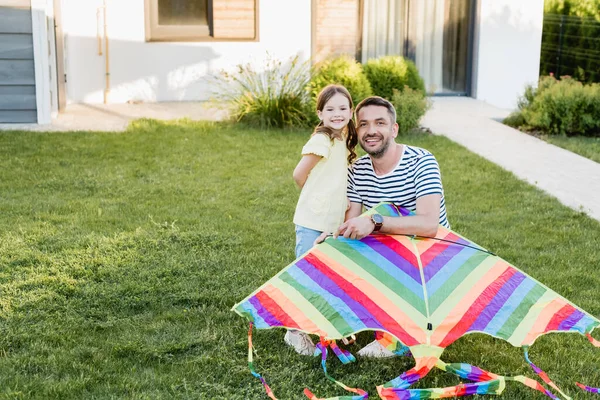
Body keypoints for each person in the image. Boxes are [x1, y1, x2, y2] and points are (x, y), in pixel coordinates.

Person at [335, 96, 450, 357]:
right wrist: (333, 235)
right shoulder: (358, 169)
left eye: (380, 123)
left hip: (431, 255)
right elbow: (351, 221)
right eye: (363, 124)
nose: (371, 131)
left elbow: (430, 225)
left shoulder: (422, 161)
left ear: (394, 129)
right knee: (338, 252)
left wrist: (375, 222)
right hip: (390, 249)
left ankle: (398, 335)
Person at [284, 84, 358, 355]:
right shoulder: (322, 140)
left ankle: (323, 326)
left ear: (351, 111)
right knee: (306, 275)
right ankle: (294, 332)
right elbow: (298, 174)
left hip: (331, 221)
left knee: (326, 275)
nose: (337, 113)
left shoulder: (342, 138)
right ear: (320, 113)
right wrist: (316, 197)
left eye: (342, 108)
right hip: (313, 220)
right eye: (330, 109)